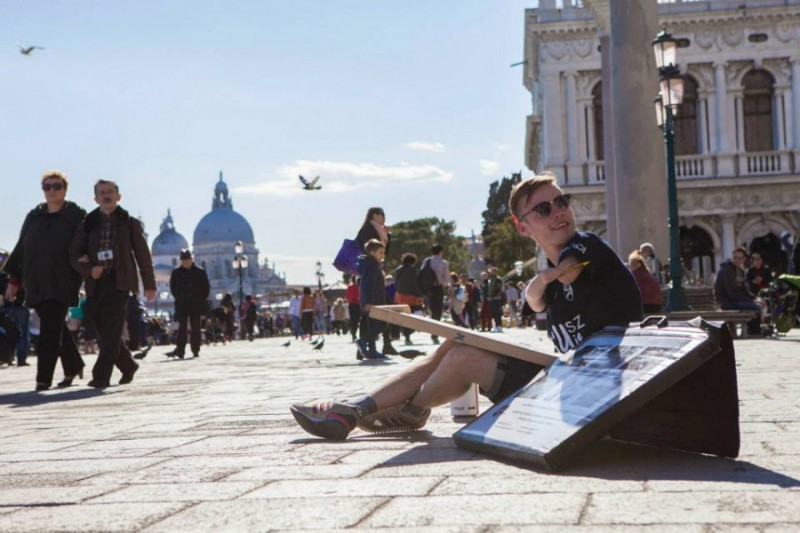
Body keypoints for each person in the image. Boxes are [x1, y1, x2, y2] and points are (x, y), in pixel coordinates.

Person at [291, 172, 643, 440]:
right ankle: (356, 409)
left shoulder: (585, 247)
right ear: (522, 228)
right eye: (543, 209)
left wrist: (541, 281)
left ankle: (405, 409)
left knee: (464, 357)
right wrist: (538, 285)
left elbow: (565, 275)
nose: (558, 213)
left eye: (562, 202)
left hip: (598, 386)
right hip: (575, 380)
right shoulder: (549, 276)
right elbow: (535, 300)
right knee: (455, 342)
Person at [3, 171, 87, 390]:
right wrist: (13, 281)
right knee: (55, 325)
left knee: (49, 329)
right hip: (36, 280)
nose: (52, 191)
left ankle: (43, 379)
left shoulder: (76, 215)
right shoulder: (34, 216)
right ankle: (73, 364)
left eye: (56, 186)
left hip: (63, 280)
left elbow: (87, 243)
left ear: (65, 189)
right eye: (47, 187)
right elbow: (21, 247)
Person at [70, 179, 156, 388]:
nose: (106, 195)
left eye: (110, 192)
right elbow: (73, 253)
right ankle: (128, 365)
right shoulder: (87, 224)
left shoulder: (130, 223)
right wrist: (90, 269)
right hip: (96, 282)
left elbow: (142, 255)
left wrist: (150, 284)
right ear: (95, 198)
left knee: (112, 329)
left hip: (120, 282)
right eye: (102, 193)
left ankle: (101, 376)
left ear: (118, 196)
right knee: (103, 331)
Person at [167, 248, 210, 358]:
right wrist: (179, 298)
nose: (186, 262)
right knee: (182, 328)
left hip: (196, 304)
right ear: (181, 261)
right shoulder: (176, 273)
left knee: (196, 327)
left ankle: (195, 349)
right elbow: (173, 288)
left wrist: (200, 300)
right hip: (182, 304)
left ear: (192, 259)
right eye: (184, 260)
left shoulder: (200, 272)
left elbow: (206, 288)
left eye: (188, 259)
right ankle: (180, 350)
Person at [713, 247, 762, 335]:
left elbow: (745, 289)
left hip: (735, 300)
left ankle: (752, 330)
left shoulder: (740, 271)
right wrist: (748, 301)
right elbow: (731, 293)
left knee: (756, 305)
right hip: (726, 301)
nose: (736, 260)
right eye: (735, 258)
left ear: (744, 259)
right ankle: (754, 331)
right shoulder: (727, 270)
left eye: (739, 258)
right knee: (755, 308)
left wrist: (754, 298)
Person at [355, 239, 389, 360]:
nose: (382, 255)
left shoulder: (371, 265)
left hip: (373, 301)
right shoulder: (372, 267)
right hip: (373, 302)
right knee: (382, 324)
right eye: (380, 252)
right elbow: (368, 286)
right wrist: (368, 302)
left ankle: (373, 350)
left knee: (373, 325)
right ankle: (363, 341)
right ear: (372, 253)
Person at [394, 253, 424, 345]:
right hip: (410, 297)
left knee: (404, 315)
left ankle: (406, 334)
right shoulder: (411, 271)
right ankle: (408, 334)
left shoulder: (398, 270)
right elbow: (414, 284)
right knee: (411, 315)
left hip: (399, 296)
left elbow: (396, 282)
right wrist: (420, 294)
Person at [422, 244, 449, 344]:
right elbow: (446, 279)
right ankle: (435, 333)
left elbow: (422, 273)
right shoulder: (443, 263)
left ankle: (433, 330)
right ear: (440, 252)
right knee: (438, 311)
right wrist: (448, 285)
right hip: (438, 288)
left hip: (428, 289)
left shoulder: (427, 261)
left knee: (431, 310)